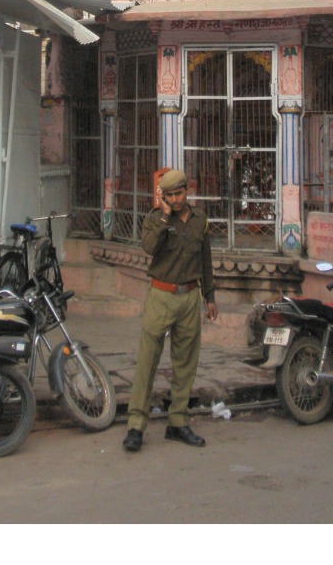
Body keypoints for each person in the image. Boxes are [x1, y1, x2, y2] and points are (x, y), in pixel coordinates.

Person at [122, 168, 217, 453]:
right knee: (147, 361)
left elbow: (206, 259)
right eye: (169, 195)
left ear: (188, 191)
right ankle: (136, 426)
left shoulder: (200, 219)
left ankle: (177, 422)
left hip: (189, 297)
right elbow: (150, 247)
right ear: (161, 196)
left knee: (185, 363)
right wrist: (164, 215)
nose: (175, 200)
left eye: (178, 193)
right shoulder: (154, 219)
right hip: (161, 295)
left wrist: (209, 297)